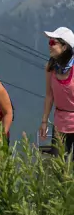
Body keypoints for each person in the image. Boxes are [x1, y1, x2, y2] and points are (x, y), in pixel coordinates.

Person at [39, 27, 74, 157]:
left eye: (53, 43)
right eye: (50, 42)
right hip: (61, 124)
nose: (50, 46)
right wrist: (44, 122)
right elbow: (49, 96)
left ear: (65, 47)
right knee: (59, 168)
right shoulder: (51, 67)